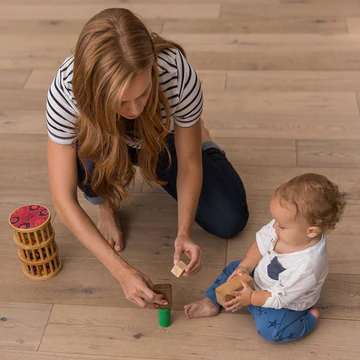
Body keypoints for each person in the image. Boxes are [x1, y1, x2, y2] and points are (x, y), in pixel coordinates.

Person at [46, 8, 249, 309]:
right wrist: (122, 271)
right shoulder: (66, 92)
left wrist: (184, 232)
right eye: (121, 101)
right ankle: (104, 206)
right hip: (102, 140)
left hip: (159, 137)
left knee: (230, 220)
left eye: (142, 94)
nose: (135, 109)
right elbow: (62, 199)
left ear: (152, 70)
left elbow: (190, 164)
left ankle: (197, 133)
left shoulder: (177, 75)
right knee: (79, 153)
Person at [184, 173, 346, 343]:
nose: (274, 226)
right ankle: (211, 301)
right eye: (275, 220)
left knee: (272, 331)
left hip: (285, 302)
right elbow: (260, 244)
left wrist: (251, 298)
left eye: (281, 225)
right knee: (234, 267)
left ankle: (308, 320)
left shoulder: (306, 267)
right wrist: (246, 266)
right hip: (260, 281)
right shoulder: (282, 225)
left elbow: (280, 296)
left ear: (311, 231)